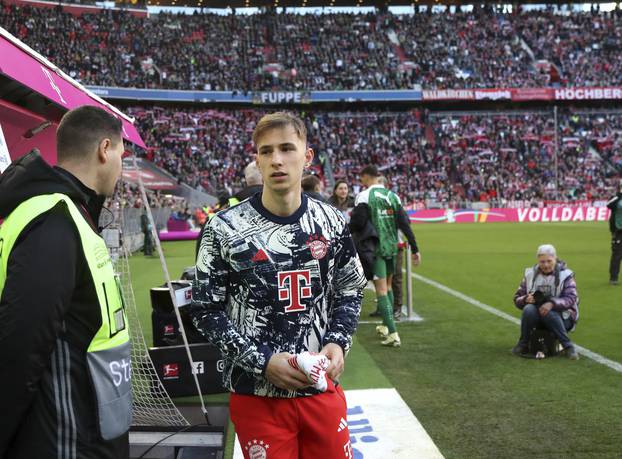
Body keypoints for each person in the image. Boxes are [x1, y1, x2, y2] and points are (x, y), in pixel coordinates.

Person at [189, 112, 366, 458]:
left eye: (287, 148)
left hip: (321, 389)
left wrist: (338, 342)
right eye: (266, 151)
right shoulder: (224, 229)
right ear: (257, 159)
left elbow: (350, 287)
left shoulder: (330, 220)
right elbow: (204, 310)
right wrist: (262, 362)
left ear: (307, 156)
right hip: (257, 395)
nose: (277, 160)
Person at [0, 106, 131, 458]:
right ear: (105, 149)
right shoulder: (55, 220)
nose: (122, 166)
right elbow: (22, 346)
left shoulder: (71, 212)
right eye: (121, 153)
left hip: (84, 434)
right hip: (64, 442)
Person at [350, 165, 421, 347]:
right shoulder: (393, 196)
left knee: (380, 289)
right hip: (393, 248)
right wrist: (414, 248)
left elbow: (357, 223)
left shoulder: (364, 196)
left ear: (366, 177)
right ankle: (385, 326)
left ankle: (393, 334)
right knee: (388, 286)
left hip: (376, 249)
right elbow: (405, 223)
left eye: (362, 177)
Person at [512, 244, 579, 360]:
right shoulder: (530, 274)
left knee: (548, 312)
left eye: (549, 261)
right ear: (538, 260)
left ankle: (568, 346)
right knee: (528, 309)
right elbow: (517, 298)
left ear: (555, 259)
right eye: (542, 262)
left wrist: (552, 303)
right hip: (539, 314)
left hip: (564, 316)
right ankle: (523, 344)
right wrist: (525, 299)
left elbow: (571, 298)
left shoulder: (566, 275)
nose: (546, 265)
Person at [607, 183, 622, 285]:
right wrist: (619, 194)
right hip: (619, 230)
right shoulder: (617, 198)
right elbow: (609, 204)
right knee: (617, 255)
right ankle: (613, 278)